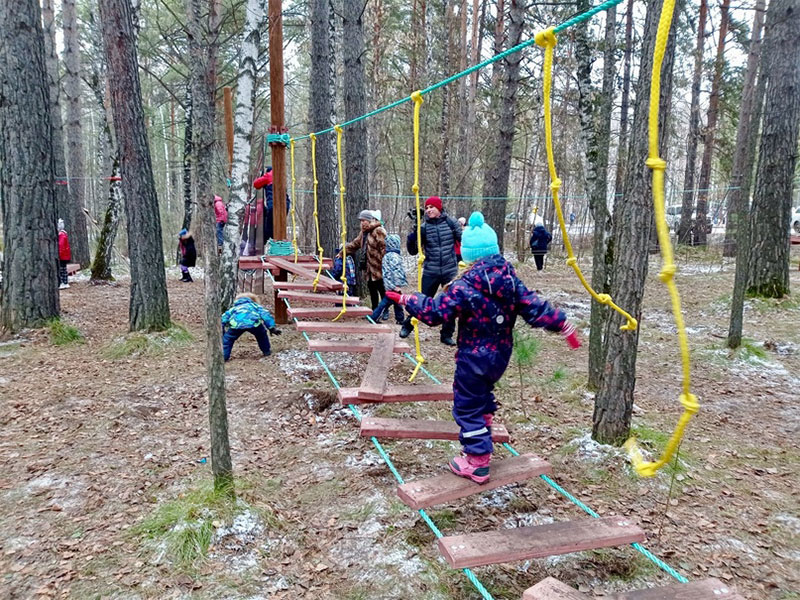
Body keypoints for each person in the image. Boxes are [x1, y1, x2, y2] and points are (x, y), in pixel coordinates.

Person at [386, 212, 580, 484]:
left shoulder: (464, 286)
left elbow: (435, 312)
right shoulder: (510, 280)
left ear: (468, 254)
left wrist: (409, 299)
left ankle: (477, 461)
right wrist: (561, 324)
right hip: (499, 357)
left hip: (473, 359)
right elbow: (535, 307)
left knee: (466, 407)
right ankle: (484, 422)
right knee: (481, 396)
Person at [399, 196, 462, 346]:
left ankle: (446, 335)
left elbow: (463, 240)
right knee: (422, 300)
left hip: (449, 270)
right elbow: (413, 250)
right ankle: (407, 326)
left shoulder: (451, 223)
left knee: (450, 302)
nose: (428, 210)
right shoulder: (424, 227)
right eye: (426, 208)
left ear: (439, 208)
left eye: (431, 207)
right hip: (431, 270)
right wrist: (414, 230)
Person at [342, 210, 387, 311]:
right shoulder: (363, 233)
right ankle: (375, 311)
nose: (362, 223)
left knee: (382, 290)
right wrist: (342, 252)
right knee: (372, 291)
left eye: (364, 220)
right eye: (361, 221)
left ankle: (385, 310)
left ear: (369, 220)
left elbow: (384, 248)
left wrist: (385, 264)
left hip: (379, 267)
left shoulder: (378, 231)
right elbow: (355, 244)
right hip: (368, 268)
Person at [221, 293, 282, 361]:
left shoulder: (234, 308)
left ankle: (224, 356)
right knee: (261, 335)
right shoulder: (255, 306)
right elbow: (265, 315)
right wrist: (271, 327)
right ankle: (266, 351)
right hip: (253, 323)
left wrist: (222, 329)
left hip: (237, 324)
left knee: (228, 339)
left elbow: (224, 318)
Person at [370, 234, 407, 324]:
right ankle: (374, 316)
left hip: (388, 283)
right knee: (386, 302)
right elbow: (397, 272)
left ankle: (400, 319)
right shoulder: (395, 257)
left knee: (397, 301)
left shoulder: (386, 256)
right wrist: (397, 285)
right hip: (394, 284)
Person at [57, 219, 71, 290]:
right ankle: (65, 282)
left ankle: (63, 282)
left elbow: (61, 245)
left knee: (62, 269)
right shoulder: (63, 234)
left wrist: (58, 254)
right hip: (64, 256)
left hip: (62, 256)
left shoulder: (61, 235)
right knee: (63, 269)